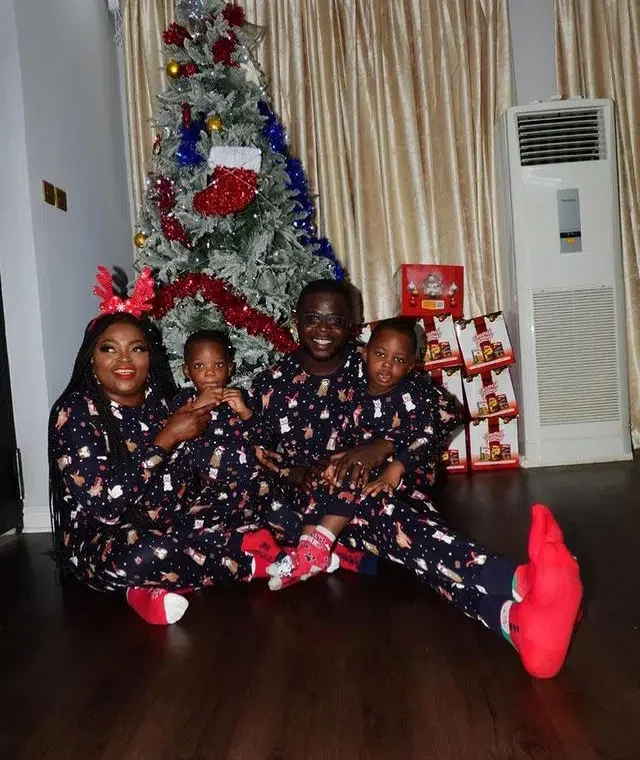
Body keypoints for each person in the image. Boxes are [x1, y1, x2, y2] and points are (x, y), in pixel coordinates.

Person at [245, 279, 583, 679]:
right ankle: (518, 583)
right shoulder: (272, 383)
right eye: (312, 318)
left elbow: (444, 413)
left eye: (334, 320)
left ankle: (516, 621)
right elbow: (256, 453)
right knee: (394, 522)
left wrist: (383, 446)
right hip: (316, 508)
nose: (323, 329)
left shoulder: (372, 360)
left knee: (399, 525)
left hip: (386, 488)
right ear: (296, 320)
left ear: (351, 325)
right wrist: (297, 471)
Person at [48, 273, 270, 626]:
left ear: (150, 357)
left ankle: (148, 590)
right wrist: (166, 439)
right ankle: (255, 562)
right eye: (109, 348)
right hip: (109, 538)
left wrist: (236, 445)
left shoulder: (165, 403)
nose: (125, 359)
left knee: (251, 498)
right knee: (144, 553)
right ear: (91, 358)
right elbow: (104, 508)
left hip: (174, 524)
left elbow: (207, 470)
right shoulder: (75, 411)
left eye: (137, 349)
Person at [266, 316, 461, 589]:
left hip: (404, 469)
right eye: (380, 355)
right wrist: (335, 461)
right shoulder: (355, 387)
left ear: (410, 366)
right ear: (365, 354)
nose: (387, 365)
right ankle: (308, 552)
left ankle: (317, 549)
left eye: (398, 360)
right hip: (364, 466)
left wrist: (394, 469)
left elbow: (424, 436)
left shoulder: (412, 394)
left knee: (352, 475)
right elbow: (348, 433)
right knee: (325, 479)